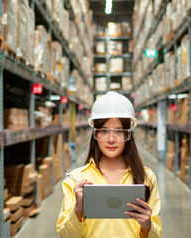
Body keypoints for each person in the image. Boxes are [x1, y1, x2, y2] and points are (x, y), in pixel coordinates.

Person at [56, 91, 162, 238]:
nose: (111, 139)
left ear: (127, 134)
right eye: (104, 131)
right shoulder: (76, 180)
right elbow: (65, 235)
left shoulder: (147, 178)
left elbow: (156, 235)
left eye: (118, 131)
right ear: (95, 134)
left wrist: (147, 226)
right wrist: (78, 210)